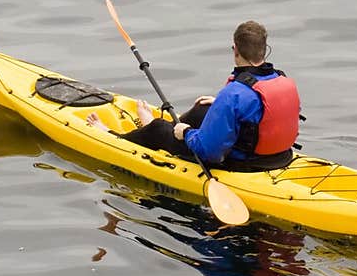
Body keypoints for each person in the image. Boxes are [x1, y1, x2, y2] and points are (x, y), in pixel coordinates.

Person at [86, 20, 302, 171]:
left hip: (242, 164)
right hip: (280, 157)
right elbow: (263, 112)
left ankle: (114, 135)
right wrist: (218, 105)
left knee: (159, 130)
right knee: (203, 109)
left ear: (235, 49)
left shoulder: (234, 93)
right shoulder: (281, 80)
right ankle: (158, 128)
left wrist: (186, 133)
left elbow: (210, 153)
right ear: (264, 50)